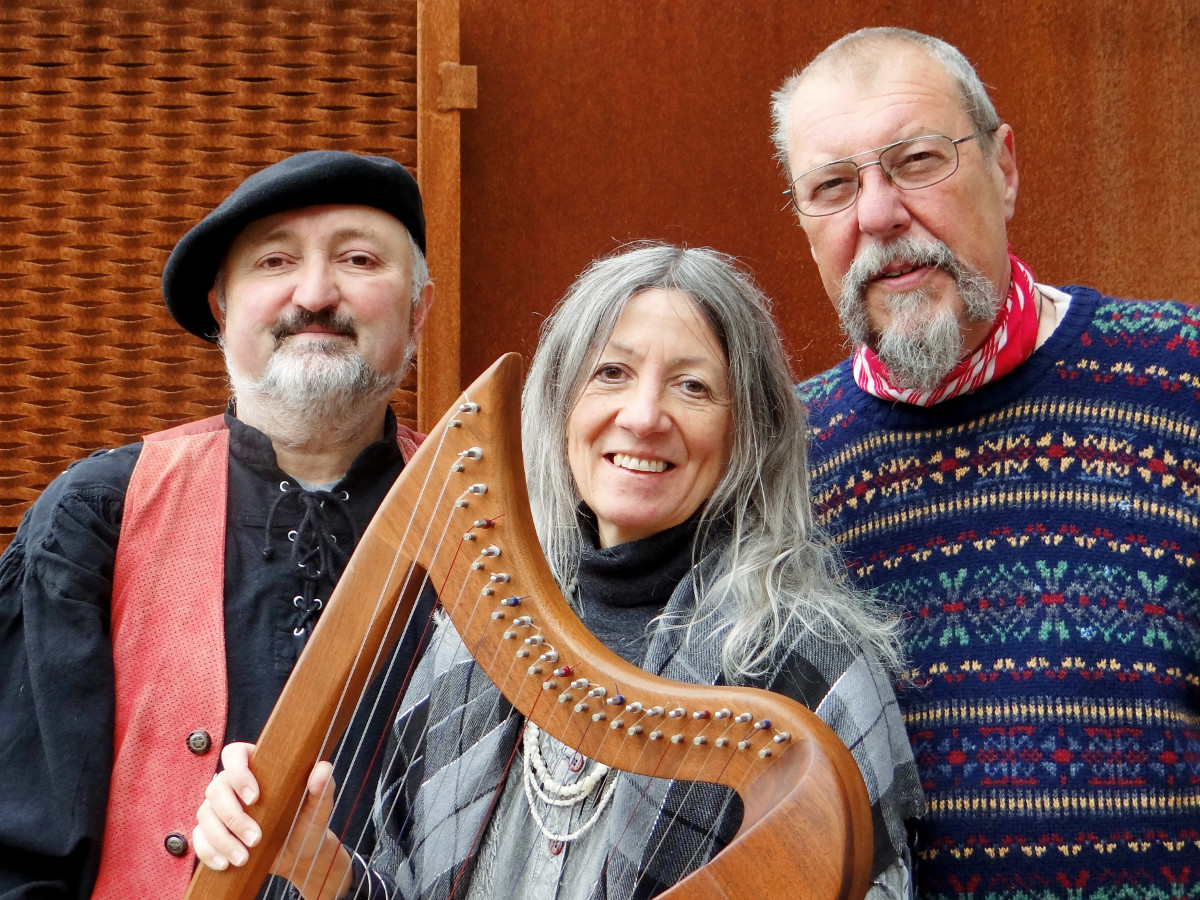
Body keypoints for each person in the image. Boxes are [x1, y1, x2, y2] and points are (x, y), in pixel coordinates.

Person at [193, 243, 925, 899]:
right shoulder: (472, 647)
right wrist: (320, 867)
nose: (642, 416)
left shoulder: (808, 663)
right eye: (610, 373)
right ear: (560, 408)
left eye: (692, 387)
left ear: (747, 431)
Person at [770, 26, 1200, 900]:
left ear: (1004, 167)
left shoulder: (1180, 379)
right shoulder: (778, 459)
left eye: (917, 161)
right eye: (834, 186)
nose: (879, 214)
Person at [0, 150, 437, 900]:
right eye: (274, 261)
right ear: (221, 308)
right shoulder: (96, 514)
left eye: (359, 259)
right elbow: (20, 849)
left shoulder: (486, 519)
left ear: (418, 311)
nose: (315, 293)